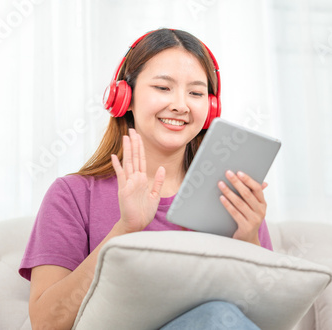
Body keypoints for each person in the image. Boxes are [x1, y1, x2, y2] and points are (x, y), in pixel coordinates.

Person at [19, 28, 273, 329]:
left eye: (195, 93)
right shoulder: (72, 195)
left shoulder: (231, 196)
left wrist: (248, 242)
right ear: (123, 98)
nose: (181, 105)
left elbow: (266, 321)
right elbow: (47, 323)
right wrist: (124, 231)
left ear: (210, 108)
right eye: (163, 88)